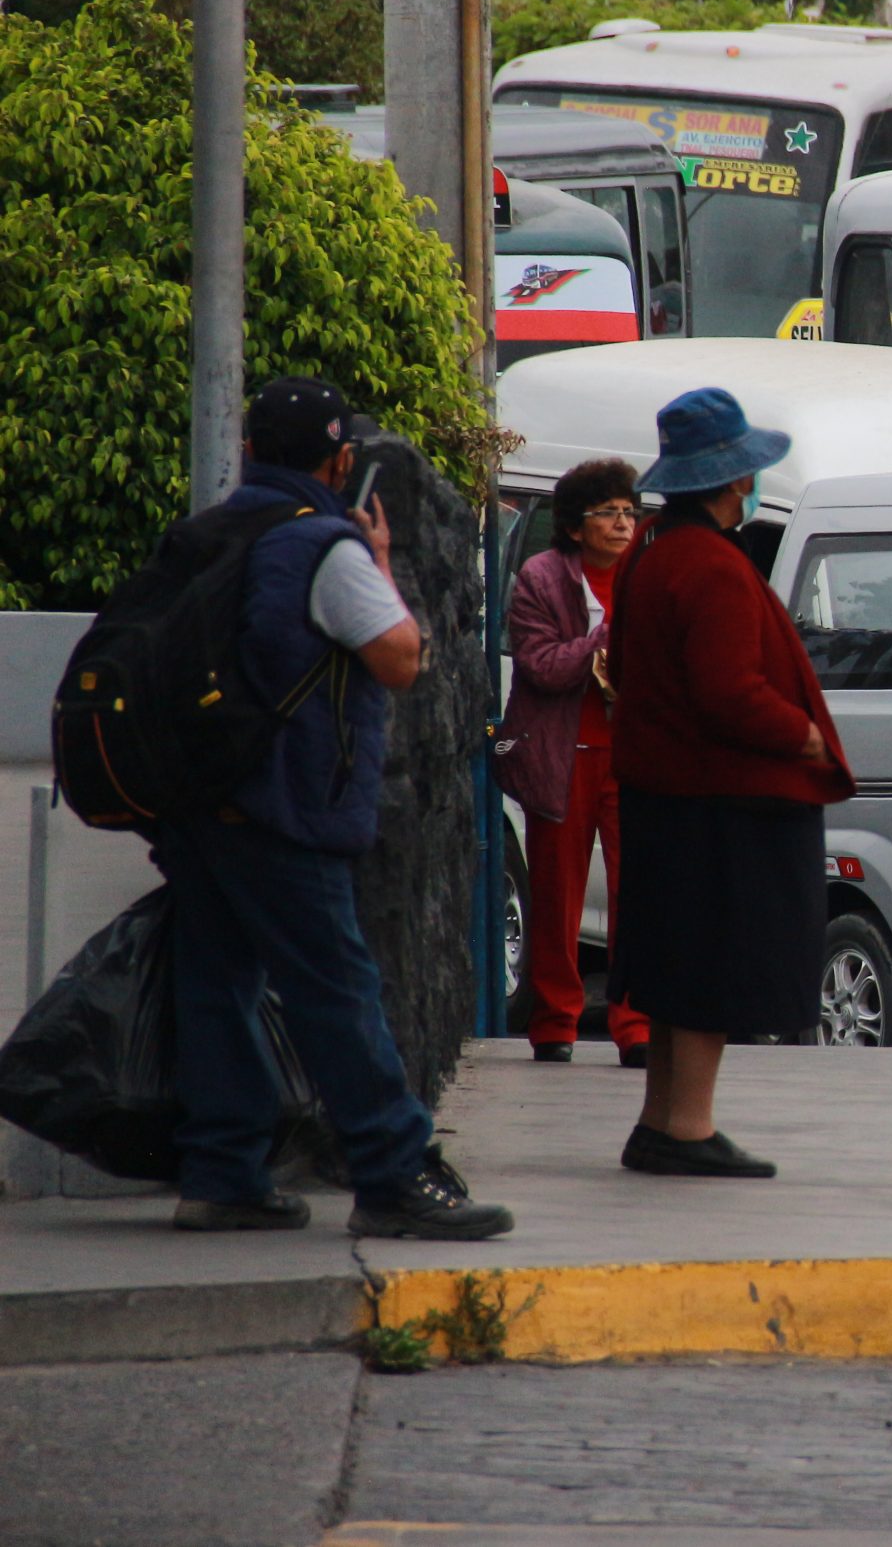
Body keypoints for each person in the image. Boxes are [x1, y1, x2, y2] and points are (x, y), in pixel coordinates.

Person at [161, 377, 514, 1240]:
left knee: (218, 987)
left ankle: (223, 1175)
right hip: (290, 810)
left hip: (202, 804)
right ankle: (393, 1171)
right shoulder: (325, 546)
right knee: (338, 992)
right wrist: (382, 563)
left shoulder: (207, 534)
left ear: (249, 452)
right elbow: (400, 657)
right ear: (342, 459)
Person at [611, 389, 855, 1178]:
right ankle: (687, 1126)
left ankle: (662, 1120)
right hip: (719, 798)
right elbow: (727, 690)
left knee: (676, 966)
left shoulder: (651, 550)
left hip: (668, 791)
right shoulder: (709, 564)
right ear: (729, 482)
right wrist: (803, 732)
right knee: (712, 964)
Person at [498, 458, 651, 1069]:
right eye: (607, 512)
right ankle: (555, 1021)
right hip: (562, 754)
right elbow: (541, 665)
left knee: (636, 891)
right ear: (575, 524)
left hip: (634, 756)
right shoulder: (541, 576)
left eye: (628, 512)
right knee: (557, 893)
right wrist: (603, 638)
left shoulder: (648, 572)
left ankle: (635, 1024)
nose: (622, 523)